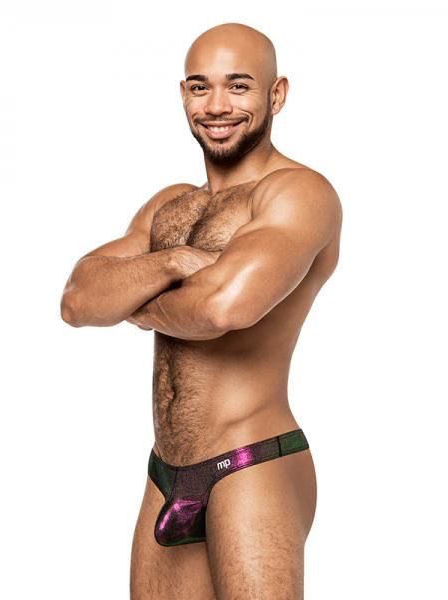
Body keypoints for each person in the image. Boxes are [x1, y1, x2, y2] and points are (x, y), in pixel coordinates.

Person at [60, 21, 342, 600]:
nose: (217, 106)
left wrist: (132, 301)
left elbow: (222, 309)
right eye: (199, 86)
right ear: (183, 94)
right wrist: (173, 262)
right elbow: (78, 298)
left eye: (238, 86)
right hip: (166, 470)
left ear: (276, 94)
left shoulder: (298, 193)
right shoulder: (170, 206)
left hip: (251, 462)